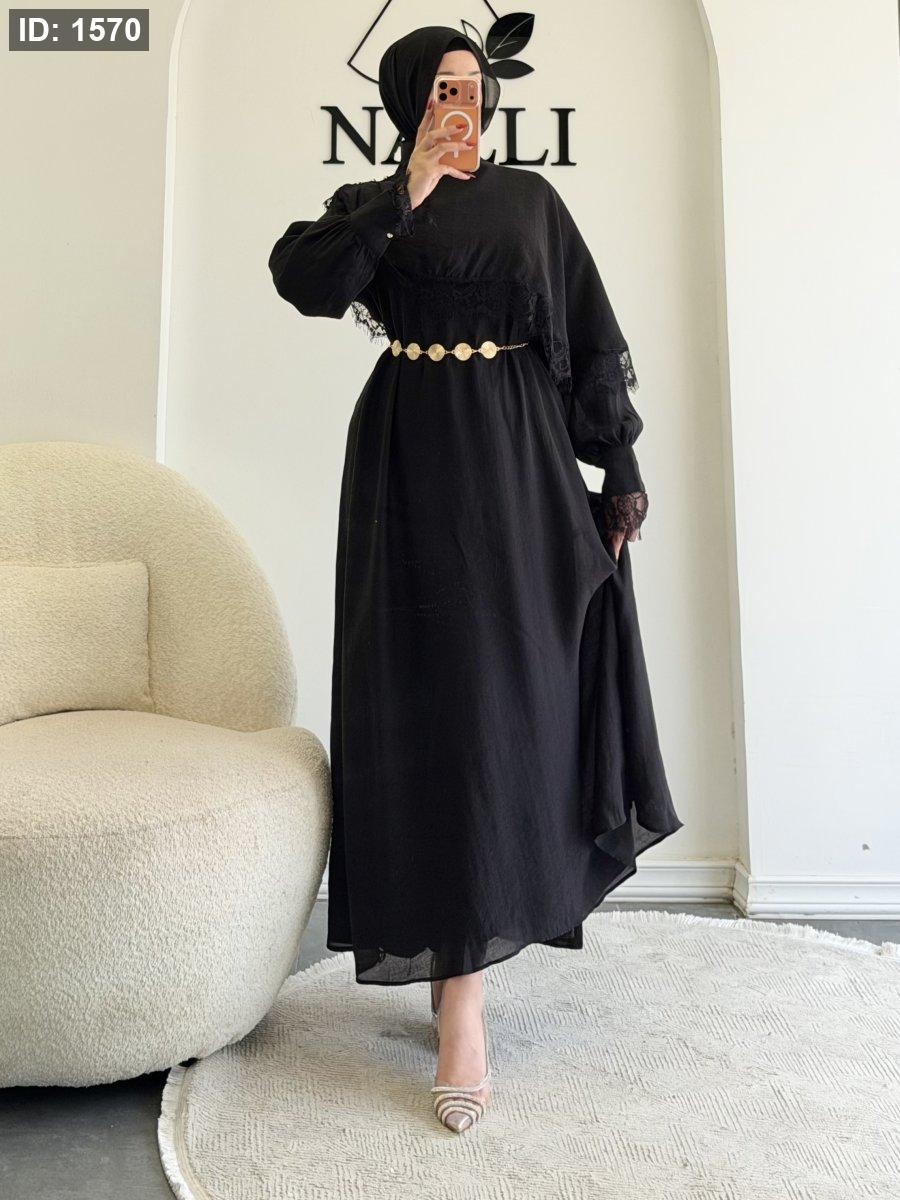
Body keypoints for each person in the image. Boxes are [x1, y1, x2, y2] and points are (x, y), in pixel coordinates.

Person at [268, 25, 683, 1134]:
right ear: (408, 99)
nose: (464, 103)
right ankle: (456, 989)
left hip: (520, 471)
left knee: (510, 709)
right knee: (428, 711)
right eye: (443, 88)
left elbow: (590, 334)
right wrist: (404, 190)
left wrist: (617, 467)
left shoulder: (531, 203)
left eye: (475, 87)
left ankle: (470, 978)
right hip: (408, 473)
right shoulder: (370, 206)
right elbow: (306, 282)